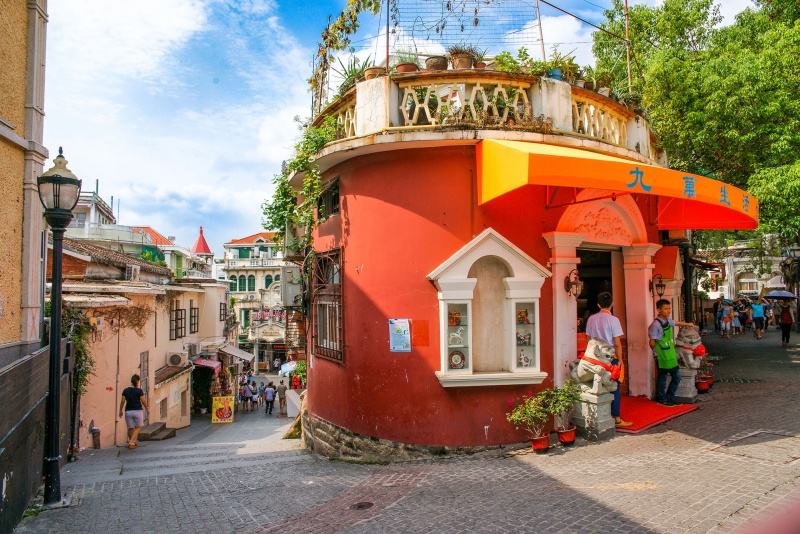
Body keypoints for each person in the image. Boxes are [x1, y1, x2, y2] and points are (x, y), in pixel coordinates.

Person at [585, 292, 633, 428]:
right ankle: (616, 418)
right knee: (614, 387)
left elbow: (588, 341)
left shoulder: (591, 319)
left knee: (596, 387)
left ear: (598, 304)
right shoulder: (613, 320)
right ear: (612, 303)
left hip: (594, 358)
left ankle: (597, 416)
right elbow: (617, 343)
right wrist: (619, 360)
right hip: (609, 358)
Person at [649, 299, 694, 407]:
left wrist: (688, 324)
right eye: (666, 309)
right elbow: (652, 342)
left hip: (670, 354)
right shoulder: (655, 325)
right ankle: (662, 398)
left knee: (677, 377)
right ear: (659, 310)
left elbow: (676, 323)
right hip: (662, 355)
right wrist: (658, 354)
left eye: (669, 308)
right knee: (662, 378)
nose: (669, 311)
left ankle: (670, 397)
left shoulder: (667, 321)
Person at [119, 374, 149, 449]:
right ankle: (131, 442)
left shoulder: (125, 391)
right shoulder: (139, 391)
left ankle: (131, 442)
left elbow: (122, 401)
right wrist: (147, 408)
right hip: (137, 411)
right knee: (138, 427)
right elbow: (143, 401)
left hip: (128, 411)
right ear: (137, 382)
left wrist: (120, 410)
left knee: (130, 428)